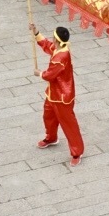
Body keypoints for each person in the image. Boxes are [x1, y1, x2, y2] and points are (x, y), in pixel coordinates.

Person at [33, 24, 83, 162]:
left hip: (62, 96)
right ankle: (51, 137)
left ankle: (77, 152)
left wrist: (39, 73)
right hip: (53, 93)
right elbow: (47, 45)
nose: (52, 40)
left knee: (69, 124)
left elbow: (50, 75)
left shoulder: (61, 57)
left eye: (54, 38)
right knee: (48, 116)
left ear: (58, 40)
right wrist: (36, 33)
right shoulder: (58, 49)